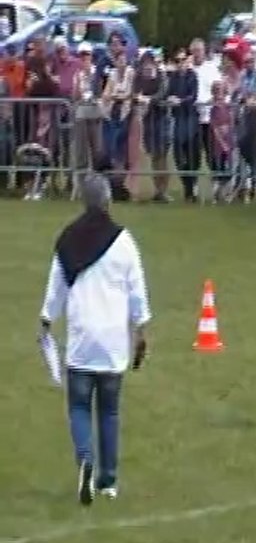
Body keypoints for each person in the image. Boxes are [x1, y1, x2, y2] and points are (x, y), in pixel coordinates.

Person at [38, 174, 151, 504]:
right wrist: (142, 330)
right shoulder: (124, 242)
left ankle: (85, 459)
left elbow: (56, 286)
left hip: (81, 338)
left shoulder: (68, 239)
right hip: (114, 339)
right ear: (108, 201)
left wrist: (46, 319)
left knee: (78, 407)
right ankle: (108, 480)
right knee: (110, 412)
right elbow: (136, 290)